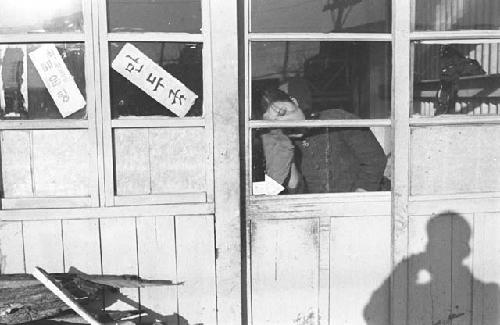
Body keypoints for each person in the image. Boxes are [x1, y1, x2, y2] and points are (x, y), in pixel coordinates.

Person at [263, 78, 387, 193]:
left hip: (360, 207)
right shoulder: (288, 143)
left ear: (294, 102)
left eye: (282, 112)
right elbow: (296, 187)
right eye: (275, 122)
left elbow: (374, 159)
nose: (283, 121)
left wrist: (358, 197)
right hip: (322, 211)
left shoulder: (334, 119)